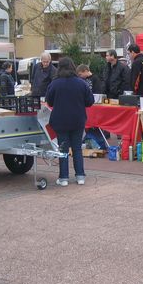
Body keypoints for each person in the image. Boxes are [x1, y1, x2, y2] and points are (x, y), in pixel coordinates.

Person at [46, 57, 94, 187]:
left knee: (63, 149)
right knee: (77, 148)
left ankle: (64, 178)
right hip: (78, 119)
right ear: (73, 67)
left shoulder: (55, 83)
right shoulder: (81, 83)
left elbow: (49, 101)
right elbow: (90, 101)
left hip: (60, 119)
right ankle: (80, 176)